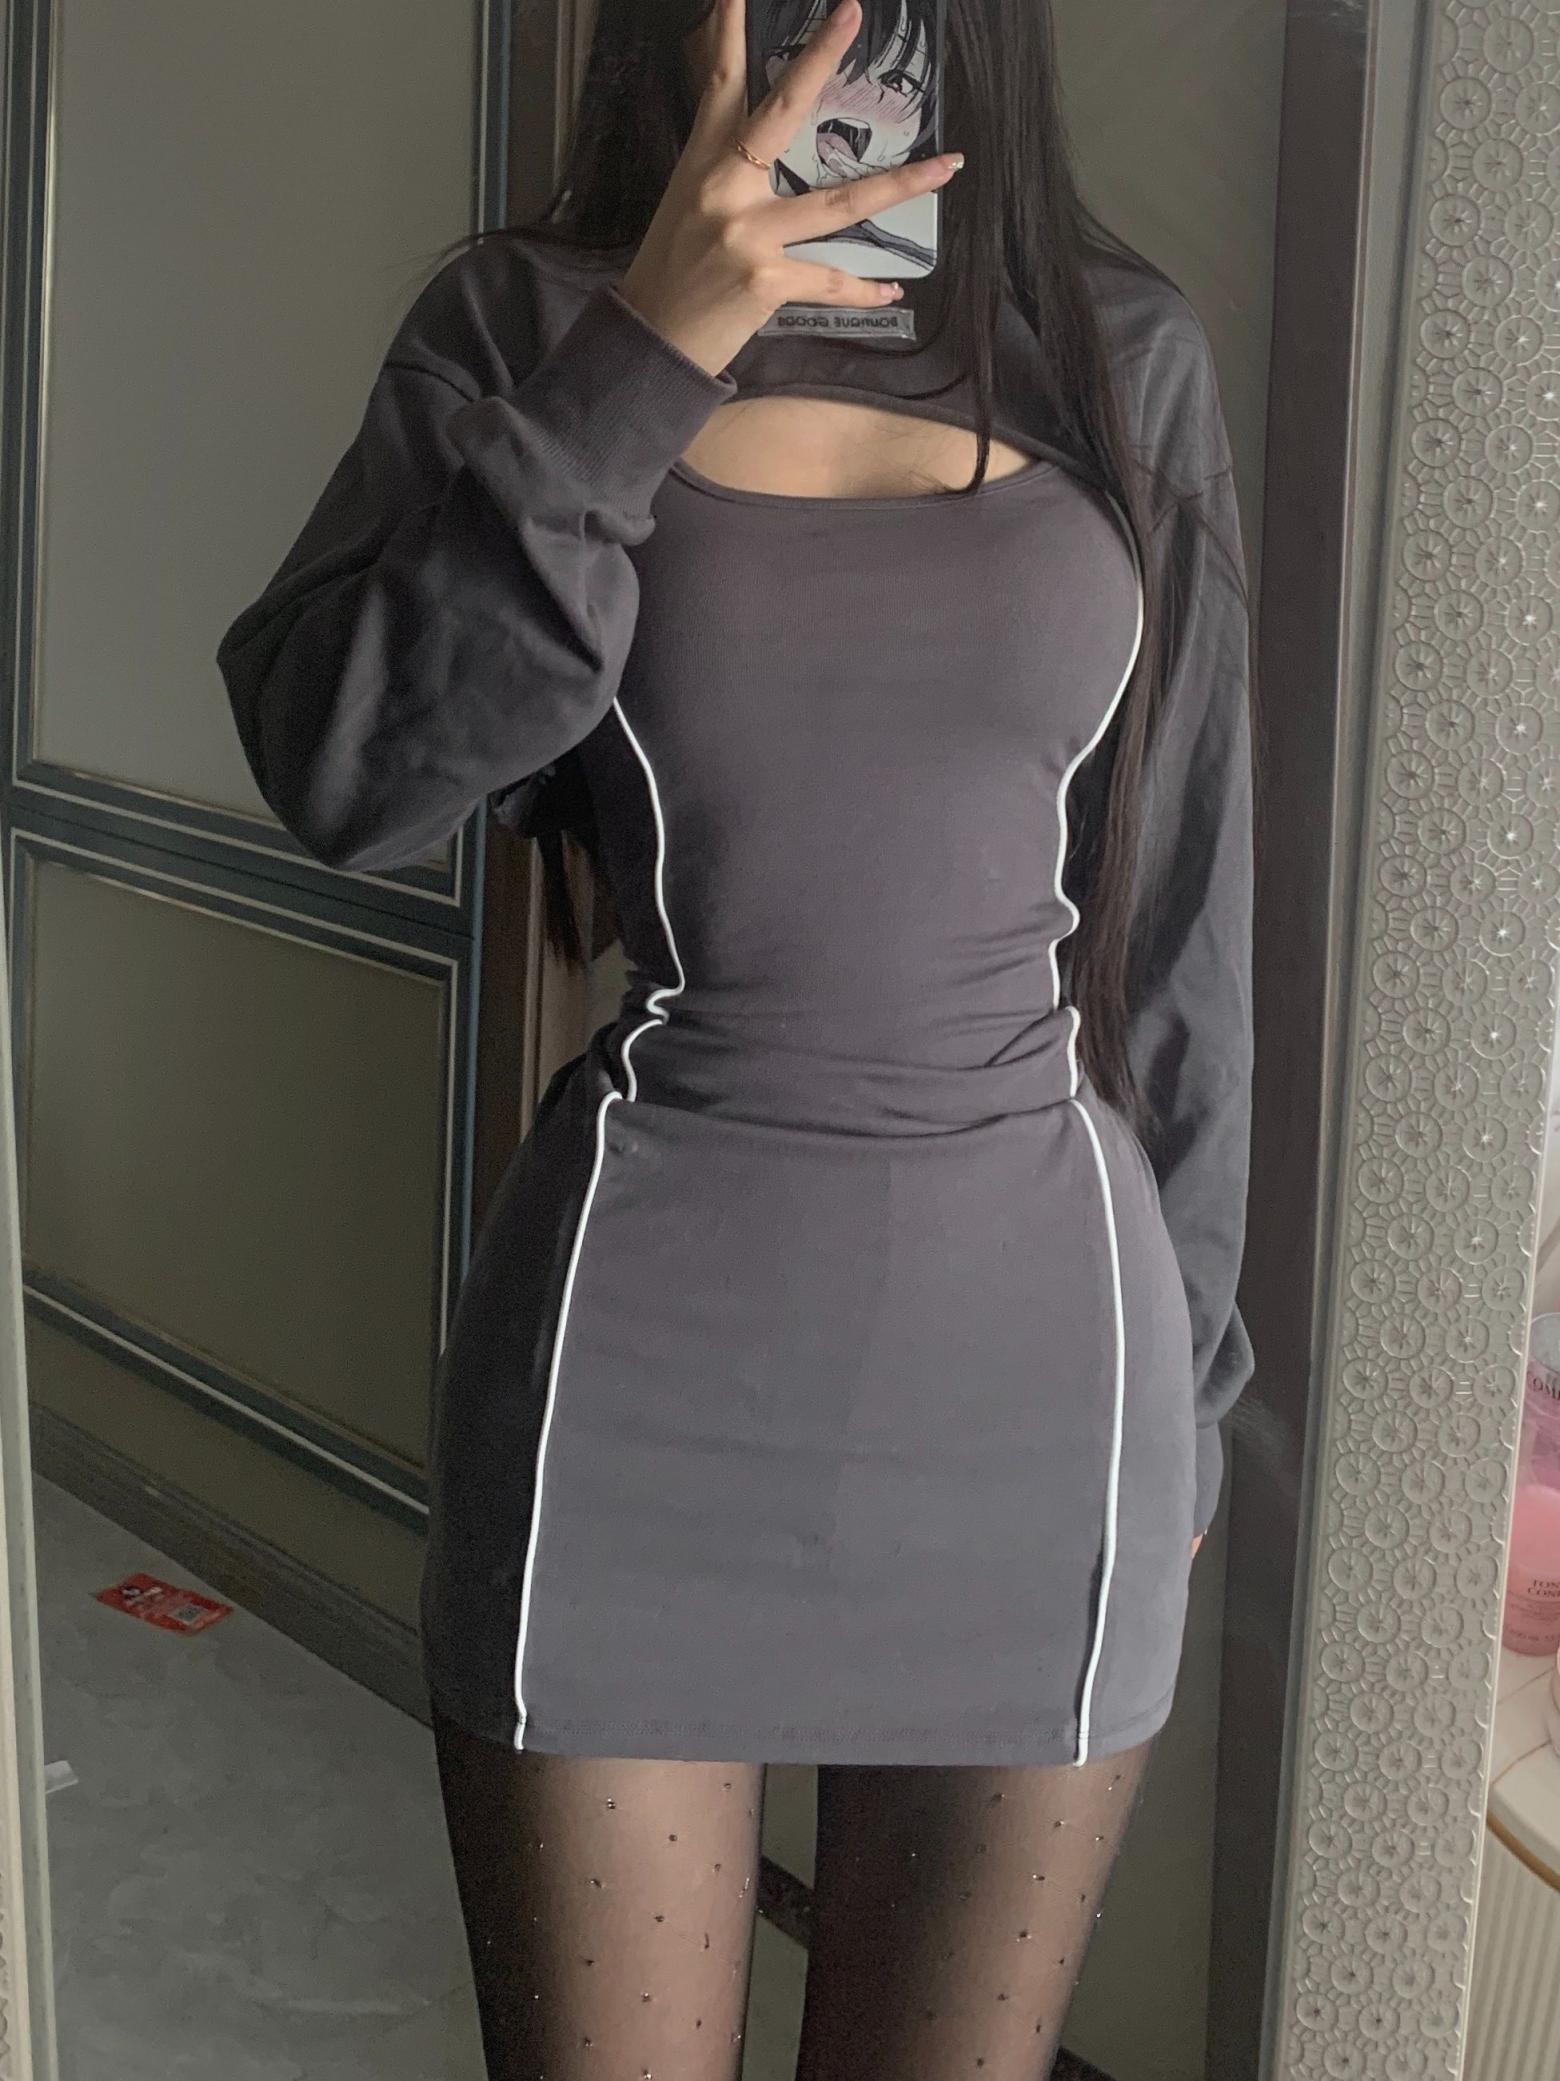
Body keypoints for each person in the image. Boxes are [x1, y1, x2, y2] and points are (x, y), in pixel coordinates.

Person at [214, 0, 1257, 2073]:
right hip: (633, 1379)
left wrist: (1199, 1400)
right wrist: (646, 354)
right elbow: (345, 772)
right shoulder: (526, 326)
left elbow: (1184, 936)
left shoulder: (1119, 356)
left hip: (1051, 1398)